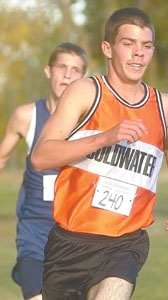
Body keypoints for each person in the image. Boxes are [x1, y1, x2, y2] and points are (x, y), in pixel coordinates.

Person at [31, 7, 168, 300]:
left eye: (145, 46)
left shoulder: (164, 106)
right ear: (107, 48)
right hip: (70, 244)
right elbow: (41, 157)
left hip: (125, 242)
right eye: (128, 44)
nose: (138, 54)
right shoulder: (86, 92)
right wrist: (104, 138)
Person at [0, 42, 88, 300]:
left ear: (83, 78)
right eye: (62, 67)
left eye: (76, 70)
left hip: (75, 234)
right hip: (34, 230)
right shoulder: (26, 116)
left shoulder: (91, 123)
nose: (68, 74)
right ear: (49, 71)